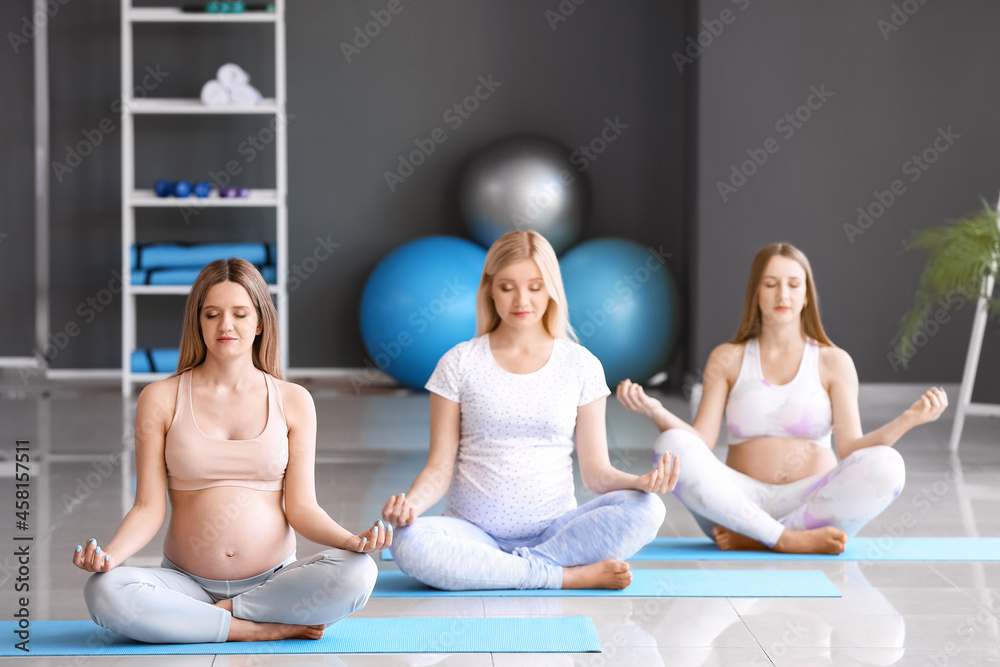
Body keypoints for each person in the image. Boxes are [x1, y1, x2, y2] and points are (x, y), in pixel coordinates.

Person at [74, 258, 387, 643]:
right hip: (184, 583)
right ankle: (260, 631)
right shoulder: (159, 398)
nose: (226, 325)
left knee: (360, 572)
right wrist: (109, 557)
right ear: (198, 322)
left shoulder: (294, 400)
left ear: (259, 323)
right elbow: (148, 508)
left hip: (274, 584)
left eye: (240, 313)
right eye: (212, 314)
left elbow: (303, 508)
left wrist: (351, 542)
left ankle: (213, 620)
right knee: (102, 591)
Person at [382, 230, 678, 591]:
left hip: (556, 535)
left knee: (649, 509)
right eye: (507, 287)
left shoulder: (581, 365)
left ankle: (504, 572)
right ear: (490, 289)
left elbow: (596, 475)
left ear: (552, 288)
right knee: (406, 540)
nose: (521, 299)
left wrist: (639, 483)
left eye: (535, 287)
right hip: (473, 533)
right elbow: (439, 468)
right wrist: (409, 505)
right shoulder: (458, 362)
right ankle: (559, 576)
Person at [617, 242, 948, 554]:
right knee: (670, 445)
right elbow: (700, 439)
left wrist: (909, 419)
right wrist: (654, 409)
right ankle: (785, 539)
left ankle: (761, 539)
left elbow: (851, 448)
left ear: (807, 295)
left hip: (812, 507)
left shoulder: (834, 361)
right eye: (771, 284)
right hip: (737, 507)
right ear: (755, 293)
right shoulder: (727, 358)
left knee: (889, 465)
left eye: (793, 284)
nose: (783, 294)